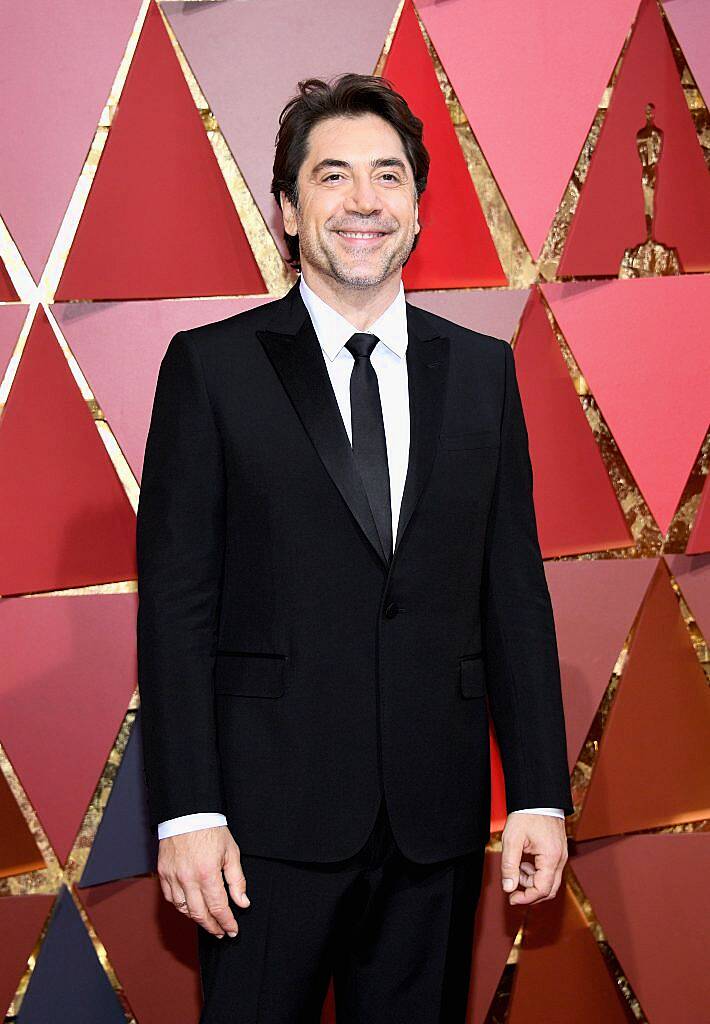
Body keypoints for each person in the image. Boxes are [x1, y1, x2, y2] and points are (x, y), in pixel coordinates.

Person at [136, 72, 573, 1024]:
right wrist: (187, 811)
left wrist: (541, 791)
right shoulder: (211, 368)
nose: (362, 201)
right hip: (259, 833)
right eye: (332, 177)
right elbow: (177, 606)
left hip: (435, 826)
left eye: (387, 176)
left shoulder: (484, 373)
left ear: (417, 207)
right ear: (289, 210)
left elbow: (513, 593)